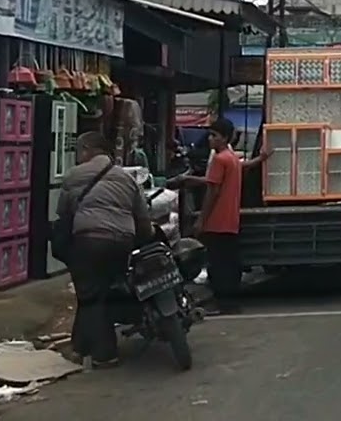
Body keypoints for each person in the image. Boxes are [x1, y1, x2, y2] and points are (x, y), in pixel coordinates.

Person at [57, 131, 153, 368]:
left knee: (91, 296)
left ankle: (104, 353)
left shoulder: (74, 176)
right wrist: (142, 240)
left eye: (79, 151)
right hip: (122, 242)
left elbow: (64, 213)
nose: (78, 157)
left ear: (88, 150)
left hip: (89, 241)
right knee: (101, 292)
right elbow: (142, 218)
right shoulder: (127, 178)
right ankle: (79, 347)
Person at [168, 117, 249, 314]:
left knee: (217, 265)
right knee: (229, 264)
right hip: (230, 221)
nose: (211, 139)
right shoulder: (233, 159)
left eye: (215, 135)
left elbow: (212, 192)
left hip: (217, 221)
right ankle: (230, 303)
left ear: (225, 138)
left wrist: (201, 219)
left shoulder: (220, 160)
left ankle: (221, 303)